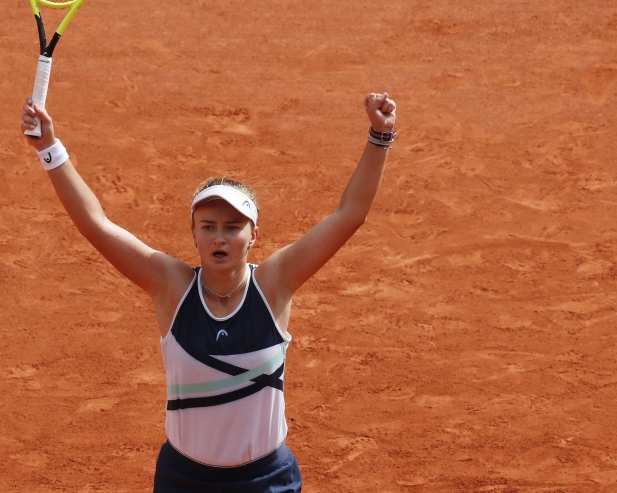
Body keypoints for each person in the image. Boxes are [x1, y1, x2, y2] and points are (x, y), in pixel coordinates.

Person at [20, 91, 397, 493]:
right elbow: (96, 224)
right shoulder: (171, 287)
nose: (220, 237)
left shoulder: (273, 285)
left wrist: (379, 136)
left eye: (233, 226)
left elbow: (350, 215)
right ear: (194, 233)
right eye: (209, 225)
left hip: (265, 480)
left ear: (254, 235)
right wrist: (49, 149)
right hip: (185, 481)